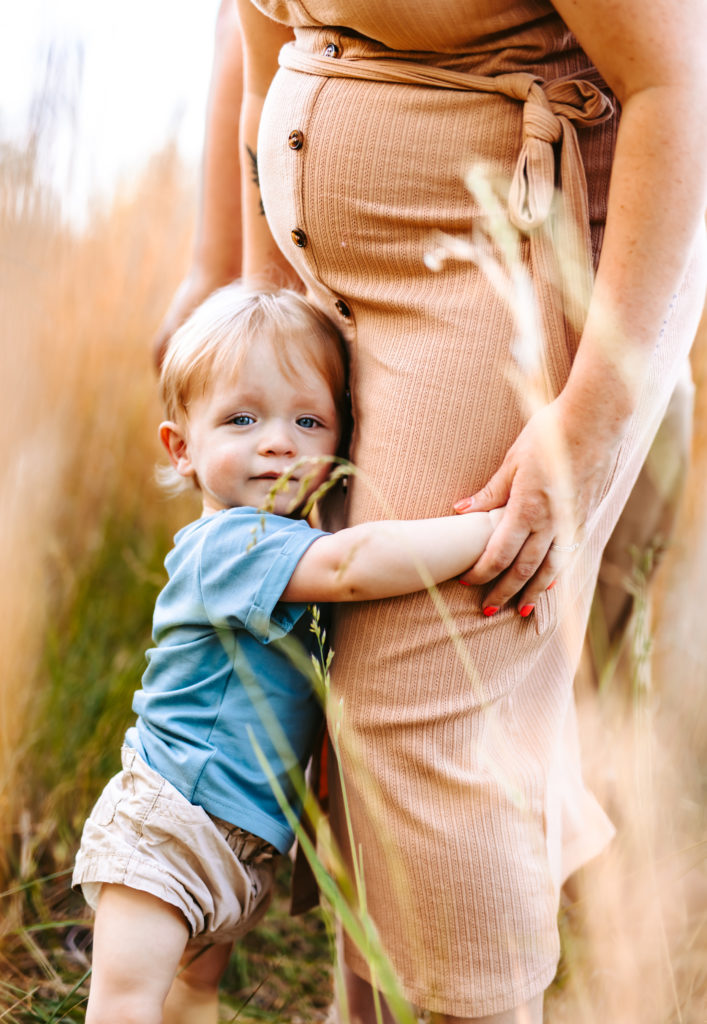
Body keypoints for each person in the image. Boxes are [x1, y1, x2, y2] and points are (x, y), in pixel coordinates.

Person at [155, 3, 707, 1022]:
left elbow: (680, 84)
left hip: (489, 262)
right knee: (350, 713)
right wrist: (260, 319)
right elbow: (264, 38)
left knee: (424, 714)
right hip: (336, 290)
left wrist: (584, 427)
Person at [72, 283, 505, 1024]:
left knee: (194, 992)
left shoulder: (285, 540)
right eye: (242, 419)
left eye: (308, 420)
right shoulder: (228, 545)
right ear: (181, 449)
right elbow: (354, 565)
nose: (278, 442)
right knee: (126, 1002)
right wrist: (490, 531)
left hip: (241, 839)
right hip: (170, 822)